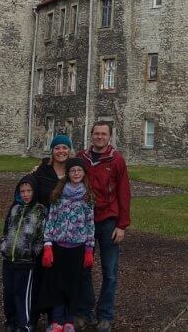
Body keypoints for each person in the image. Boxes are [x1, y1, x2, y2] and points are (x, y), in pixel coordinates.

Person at [77, 121, 131, 331]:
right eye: (96, 133)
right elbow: (65, 176)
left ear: (110, 137)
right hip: (85, 221)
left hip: (109, 220)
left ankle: (106, 315)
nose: (99, 137)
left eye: (103, 134)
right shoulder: (82, 158)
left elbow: (124, 193)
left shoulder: (117, 160)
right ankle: (84, 311)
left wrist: (122, 225)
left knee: (109, 272)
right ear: (91, 135)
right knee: (83, 269)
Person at [41, 158, 96, 332]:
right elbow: (51, 220)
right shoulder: (58, 195)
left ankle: (69, 321)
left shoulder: (87, 197)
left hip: (77, 246)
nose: (76, 174)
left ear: (84, 173)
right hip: (59, 244)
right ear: (68, 174)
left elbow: (90, 224)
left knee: (73, 285)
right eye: (73, 171)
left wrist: (89, 248)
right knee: (58, 284)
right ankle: (57, 320)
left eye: (79, 171)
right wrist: (48, 244)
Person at [32, 135, 73, 327]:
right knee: (41, 273)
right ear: (52, 151)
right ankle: (32, 316)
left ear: (70, 150)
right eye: (57, 148)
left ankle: (56, 318)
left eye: (65, 147)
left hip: (65, 232)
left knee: (59, 275)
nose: (61, 151)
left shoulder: (74, 171)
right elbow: (30, 190)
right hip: (43, 230)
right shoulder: (42, 171)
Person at [0, 175, 48, 332]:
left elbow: (41, 236)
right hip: (8, 259)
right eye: (22, 191)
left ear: (34, 191)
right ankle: (10, 321)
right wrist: (3, 245)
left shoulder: (40, 210)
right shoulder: (15, 209)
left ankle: (24, 324)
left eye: (29, 191)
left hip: (26, 261)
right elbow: (7, 230)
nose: (25, 194)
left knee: (22, 295)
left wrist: (33, 252)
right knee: (9, 292)